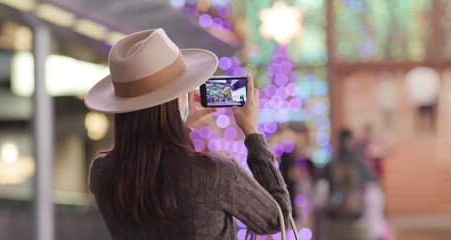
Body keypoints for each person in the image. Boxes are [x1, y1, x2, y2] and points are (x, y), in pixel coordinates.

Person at [84, 29, 291, 239]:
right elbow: (278, 217)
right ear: (174, 103)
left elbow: (155, 166)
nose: (191, 95)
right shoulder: (215, 172)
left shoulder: (101, 174)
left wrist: (179, 126)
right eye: (184, 92)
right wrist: (252, 134)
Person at [319, 128, 377, 240]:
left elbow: (320, 184)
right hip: (351, 219)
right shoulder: (359, 162)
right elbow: (372, 180)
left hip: (338, 220)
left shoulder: (333, 163)